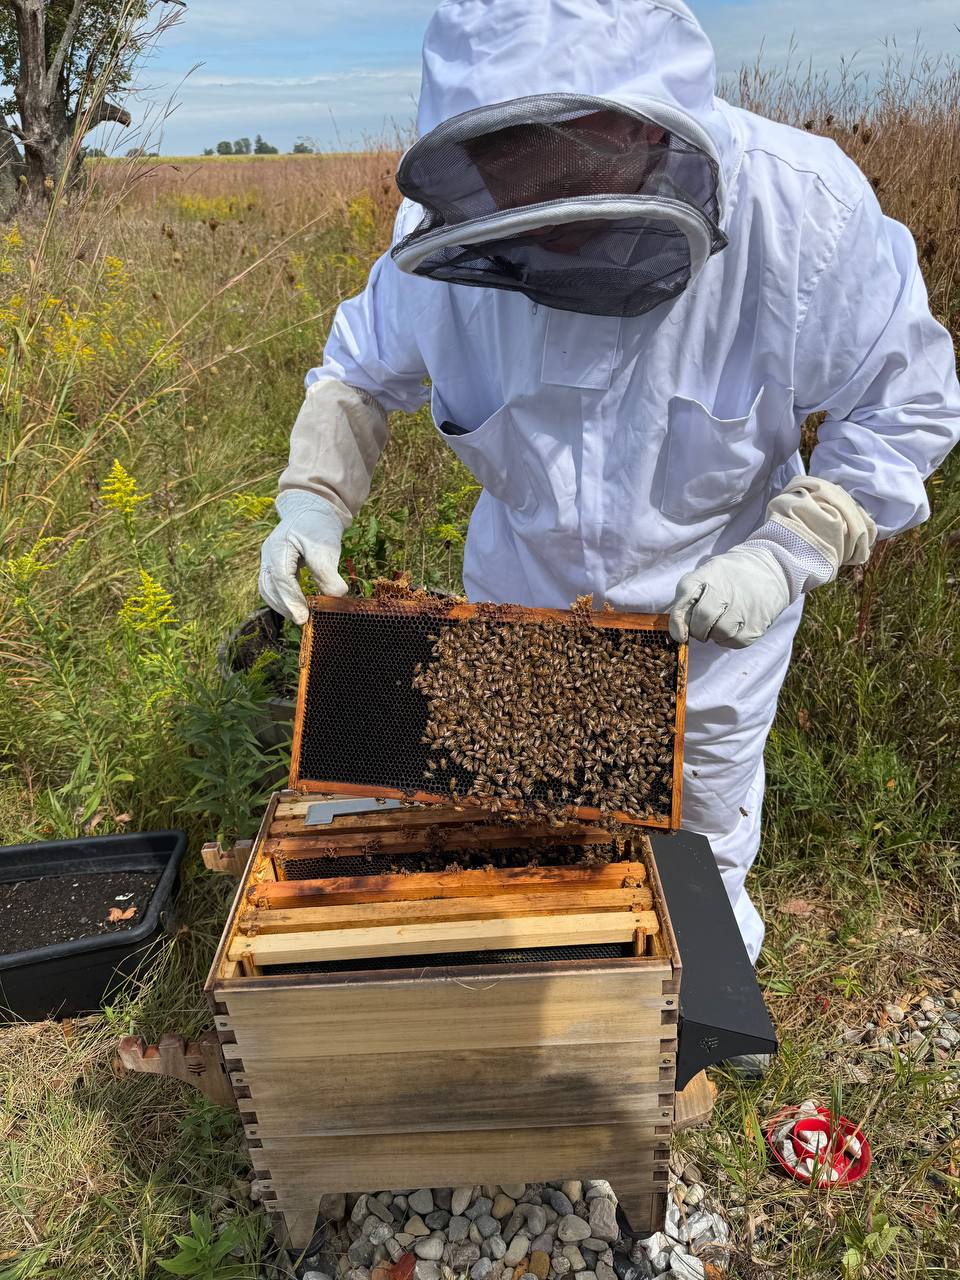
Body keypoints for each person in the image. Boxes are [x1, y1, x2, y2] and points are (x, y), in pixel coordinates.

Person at [259, 0, 960, 968]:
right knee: (522, 867)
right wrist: (314, 497)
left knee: (694, 875)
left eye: (574, 174)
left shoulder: (799, 210)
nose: (553, 231)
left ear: (645, 126)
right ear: (477, 160)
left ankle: (687, 1030)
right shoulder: (443, 243)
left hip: (712, 632)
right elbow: (357, 371)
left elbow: (906, 398)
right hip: (519, 618)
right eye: (516, 179)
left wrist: (791, 546)